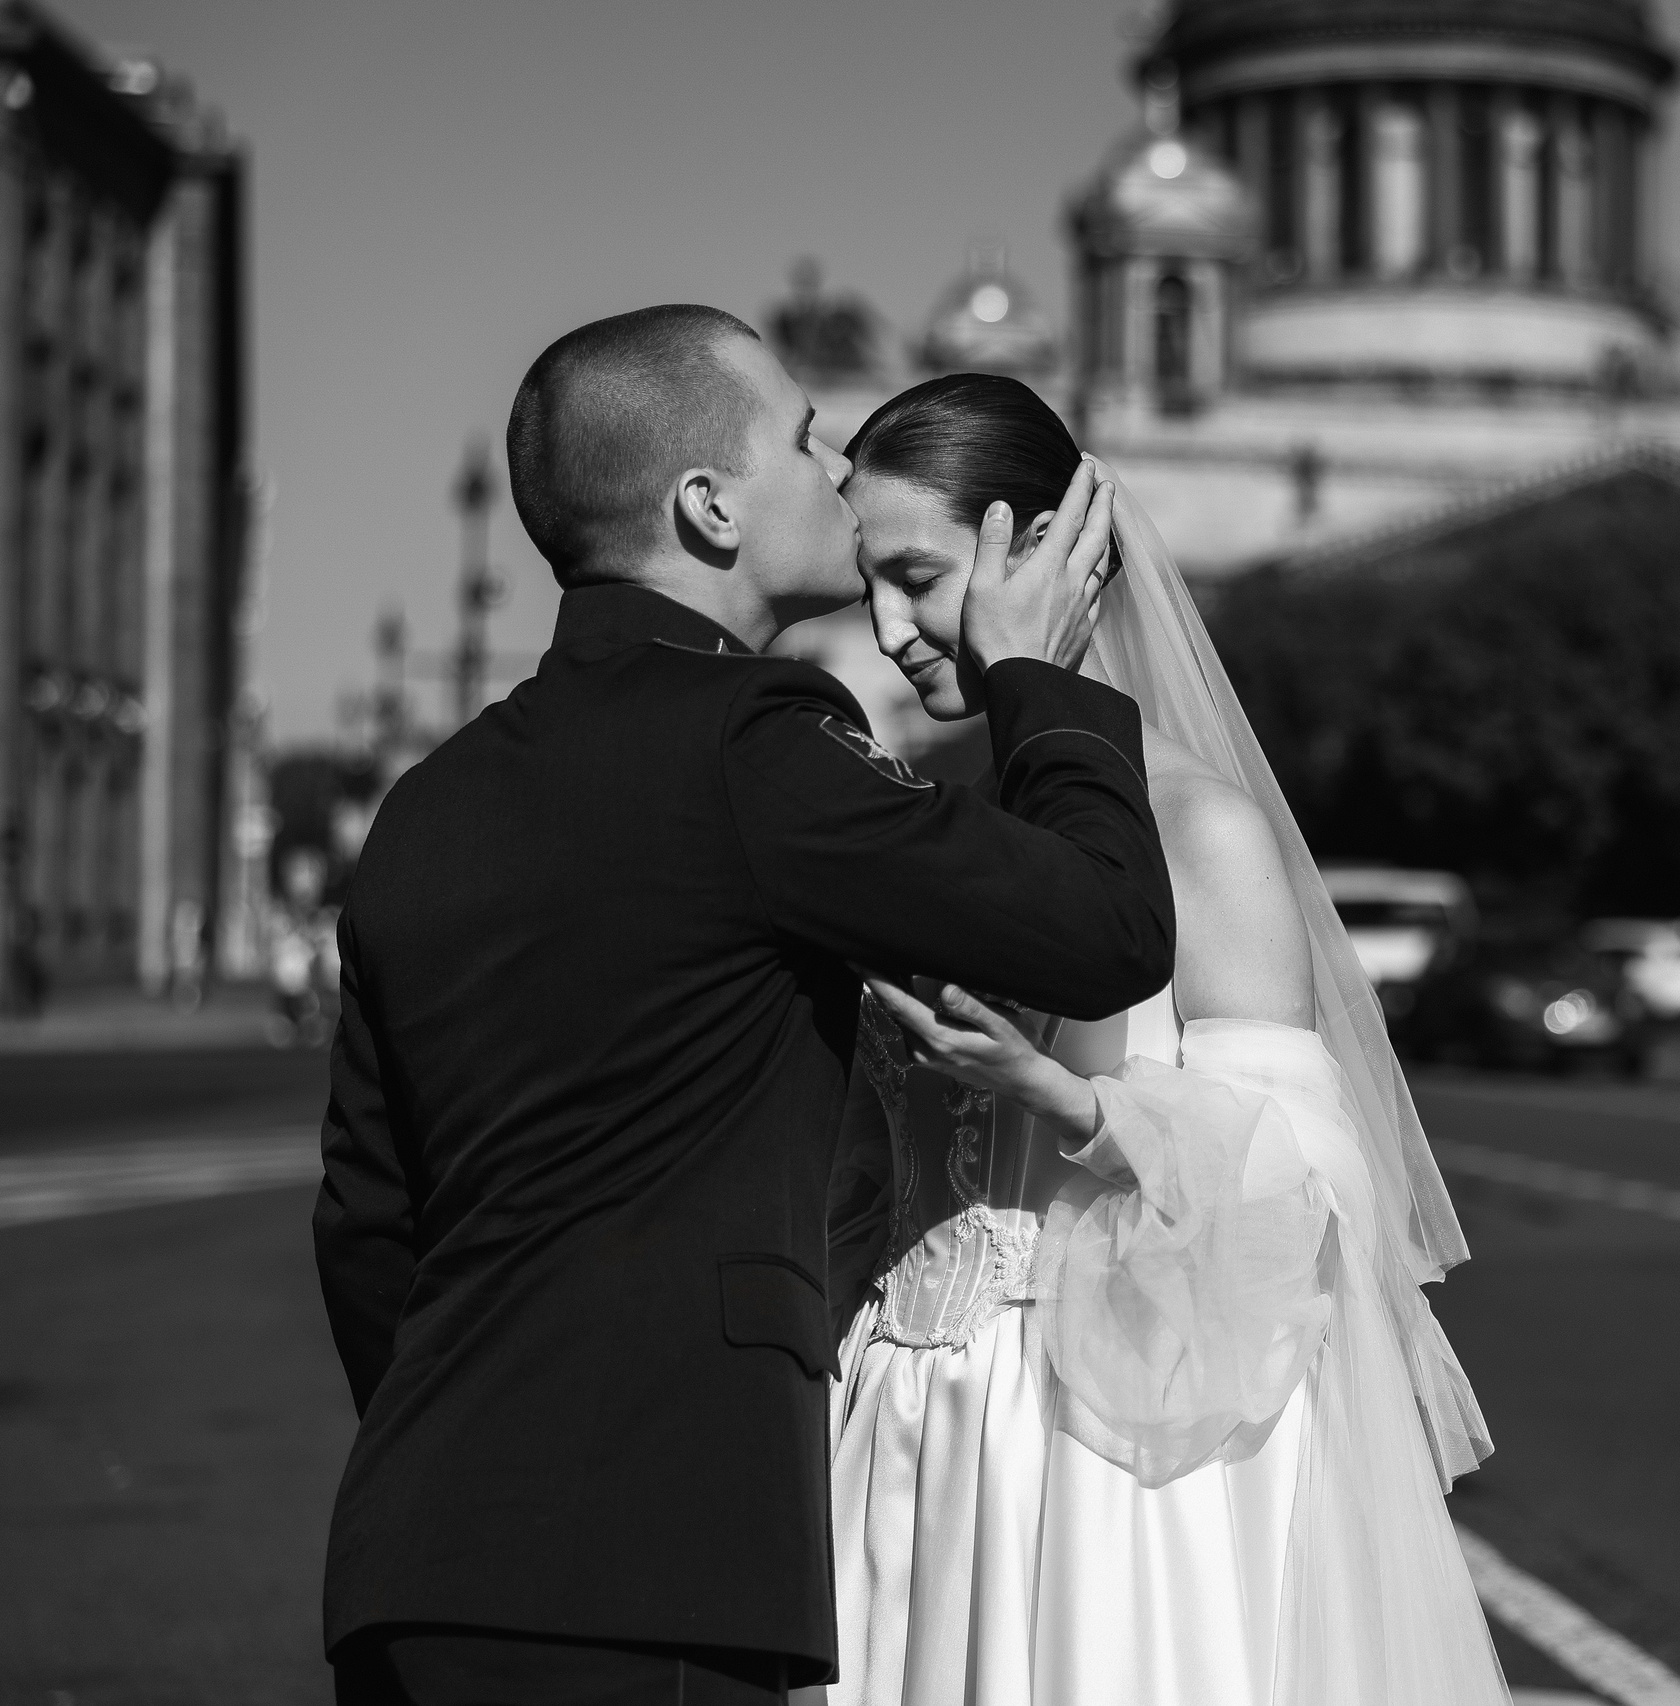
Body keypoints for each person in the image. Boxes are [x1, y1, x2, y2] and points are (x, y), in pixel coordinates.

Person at [312, 308, 1177, 1705]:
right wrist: (1027, 673)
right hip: (647, 1563)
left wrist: (474, 1466)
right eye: (804, 437)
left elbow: (366, 1219)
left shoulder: (429, 803)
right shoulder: (754, 748)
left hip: (417, 1550)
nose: (837, 466)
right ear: (709, 507)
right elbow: (1107, 932)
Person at [812, 373, 1508, 1706]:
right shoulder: (919, 814)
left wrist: (1068, 1104)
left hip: (1103, 1440)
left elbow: (1311, 1188)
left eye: (919, 575)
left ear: (1040, 555)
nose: (893, 630)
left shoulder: (1199, 830)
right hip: (901, 1415)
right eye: (871, 589)